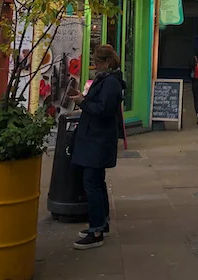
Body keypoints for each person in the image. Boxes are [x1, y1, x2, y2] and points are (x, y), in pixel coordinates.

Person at [68, 44, 123, 250]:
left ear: (107, 62)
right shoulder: (106, 80)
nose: (95, 66)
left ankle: (96, 230)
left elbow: (103, 111)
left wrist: (82, 101)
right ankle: (101, 224)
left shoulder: (110, 83)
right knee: (96, 181)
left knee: (91, 182)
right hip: (95, 139)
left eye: (98, 62)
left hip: (97, 140)